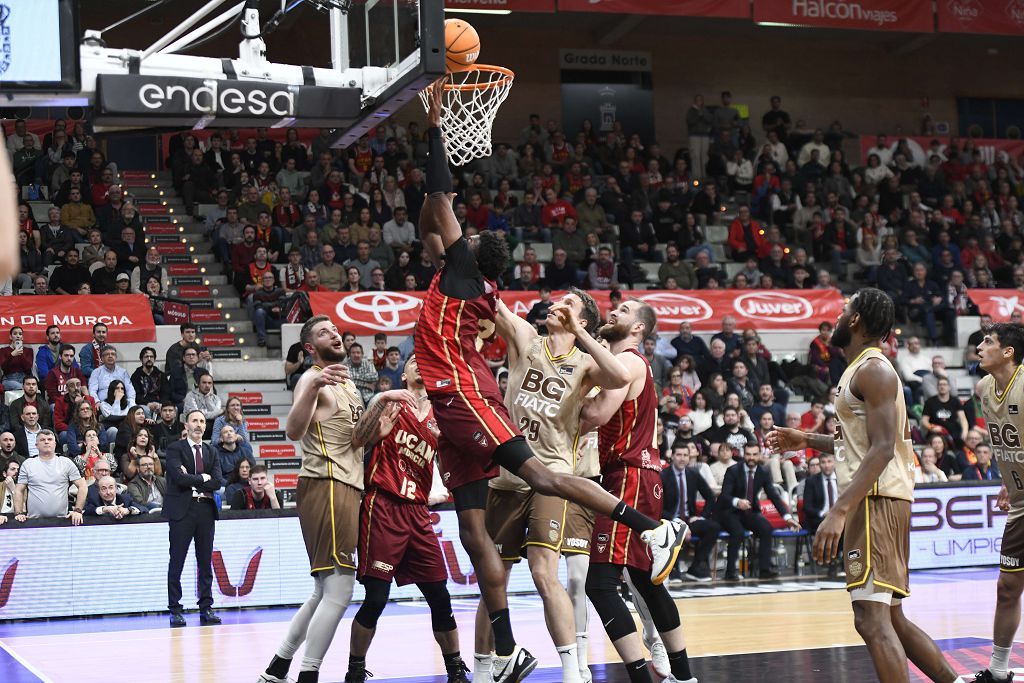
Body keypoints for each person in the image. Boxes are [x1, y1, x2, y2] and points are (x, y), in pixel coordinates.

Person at [410, 81, 685, 683]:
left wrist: (435, 128)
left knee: (544, 514)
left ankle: (653, 532)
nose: (457, 237)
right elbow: (431, 217)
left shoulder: (467, 276)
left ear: (472, 257)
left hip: (467, 394)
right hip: (457, 406)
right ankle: (505, 650)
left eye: (465, 240)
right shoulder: (460, 280)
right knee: (473, 531)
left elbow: (439, 199)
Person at [768, 288, 959, 683]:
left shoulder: (874, 369)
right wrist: (806, 440)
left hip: (874, 500)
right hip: (879, 498)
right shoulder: (862, 368)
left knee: (870, 619)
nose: (838, 317)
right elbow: (859, 442)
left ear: (856, 321)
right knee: (889, 617)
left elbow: (884, 448)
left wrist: (840, 510)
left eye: (844, 311)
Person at [476, 289, 631, 683]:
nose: (556, 305)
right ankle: (481, 668)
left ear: (583, 321)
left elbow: (620, 376)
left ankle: (571, 670)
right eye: (556, 300)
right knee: (494, 579)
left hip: (553, 476)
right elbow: (491, 303)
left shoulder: (585, 363)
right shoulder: (527, 338)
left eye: (569, 303)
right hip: (508, 476)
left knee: (545, 572)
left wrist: (581, 334)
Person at [257, 316, 415, 683]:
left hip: (344, 483)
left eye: (334, 330)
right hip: (327, 483)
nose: (334, 335)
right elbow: (293, 430)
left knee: (323, 590)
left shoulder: (344, 382)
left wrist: (378, 429)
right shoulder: (311, 378)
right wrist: (315, 388)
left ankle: (277, 667)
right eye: (324, 333)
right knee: (341, 590)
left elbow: (353, 440)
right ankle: (308, 674)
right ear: (311, 348)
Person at [576, 299, 697, 683]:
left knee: (599, 582)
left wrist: (562, 402)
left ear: (639, 328)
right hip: (640, 475)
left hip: (629, 475)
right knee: (645, 581)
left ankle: (641, 677)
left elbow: (595, 416)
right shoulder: (626, 363)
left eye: (625, 310)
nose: (614, 311)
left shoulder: (627, 362)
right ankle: (683, 675)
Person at [344, 354, 470, 683]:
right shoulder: (390, 406)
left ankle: (455, 668)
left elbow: (448, 465)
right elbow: (359, 439)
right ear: (403, 375)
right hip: (383, 504)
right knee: (376, 598)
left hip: (417, 512)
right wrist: (378, 424)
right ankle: (355, 669)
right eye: (413, 361)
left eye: (425, 362)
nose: (420, 364)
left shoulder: (441, 418)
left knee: (440, 596)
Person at [973, 323, 1024, 682]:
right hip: (1020, 501)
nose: (980, 346)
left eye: (988, 342)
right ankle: (998, 670)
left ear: (1008, 352)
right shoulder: (982, 389)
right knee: (1007, 588)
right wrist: (1009, 481)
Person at [164, 410, 225, 628]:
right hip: (182, 510)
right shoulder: (175, 448)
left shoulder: (211, 451)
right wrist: (202, 478)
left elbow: (217, 481)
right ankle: (175, 609)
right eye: (194, 421)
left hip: (206, 510)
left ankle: (206, 607)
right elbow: (178, 478)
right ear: (186, 425)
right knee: (177, 561)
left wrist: (193, 480)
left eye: (201, 421)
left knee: (205, 562)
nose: (198, 425)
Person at [716, 440, 800, 580]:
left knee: (766, 528)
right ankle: (730, 572)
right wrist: (737, 502)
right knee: (737, 532)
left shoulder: (763, 472)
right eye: (748, 454)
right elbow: (725, 496)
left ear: (760, 455)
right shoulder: (733, 470)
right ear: (744, 454)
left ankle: (764, 570)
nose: (751, 458)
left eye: (754, 454)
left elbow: (774, 496)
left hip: (749, 511)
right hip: (729, 511)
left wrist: (788, 517)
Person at [661, 445, 720, 583]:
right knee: (673, 530)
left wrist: (701, 517)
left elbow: (711, 497)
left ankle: (695, 567)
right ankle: (673, 570)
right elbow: (657, 507)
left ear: (689, 457)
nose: (682, 459)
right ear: (672, 457)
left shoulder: (693, 473)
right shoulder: (663, 475)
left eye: (685, 455)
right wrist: (677, 522)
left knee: (713, 527)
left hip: (689, 519)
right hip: (669, 520)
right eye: (679, 455)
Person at [12, 430, 86, 523]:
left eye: (50, 439)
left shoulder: (66, 462)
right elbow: (18, 490)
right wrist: (19, 513)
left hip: (62, 520)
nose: (46, 442)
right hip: (33, 521)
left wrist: (77, 510)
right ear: (36, 445)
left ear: (55, 444)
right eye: (42, 439)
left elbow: (82, 486)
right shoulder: (27, 464)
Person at [0, 326, 33, 391]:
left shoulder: (28, 350)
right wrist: (12, 355)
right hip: (8, 379)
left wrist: (20, 351)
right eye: (15, 334)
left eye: (20, 334)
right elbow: (4, 368)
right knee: (21, 387)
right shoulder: (3, 350)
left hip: (24, 378)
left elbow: (28, 367)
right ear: (10, 337)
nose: (18, 336)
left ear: (22, 337)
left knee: (31, 386)